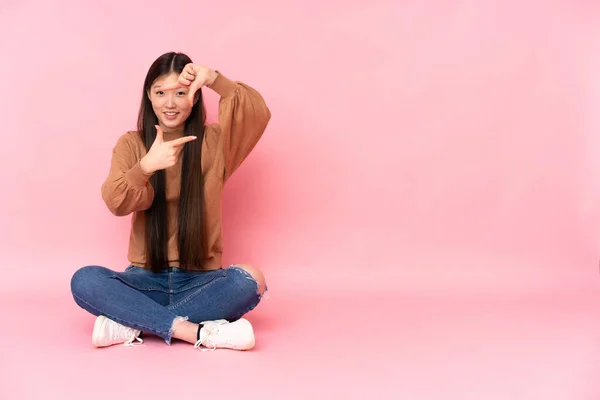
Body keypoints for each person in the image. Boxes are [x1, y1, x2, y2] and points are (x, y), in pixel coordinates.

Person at [70, 52, 271, 351]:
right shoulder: (132, 144)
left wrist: (214, 79)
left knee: (251, 279)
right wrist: (146, 167)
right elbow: (116, 201)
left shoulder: (215, 143)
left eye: (180, 92)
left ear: (194, 96)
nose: (170, 103)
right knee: (84, 280)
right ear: (148, 96)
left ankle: (132, 322)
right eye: (160, 92)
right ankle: (196, 332)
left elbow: (257, 113)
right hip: (144, 279)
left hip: (200, 280)